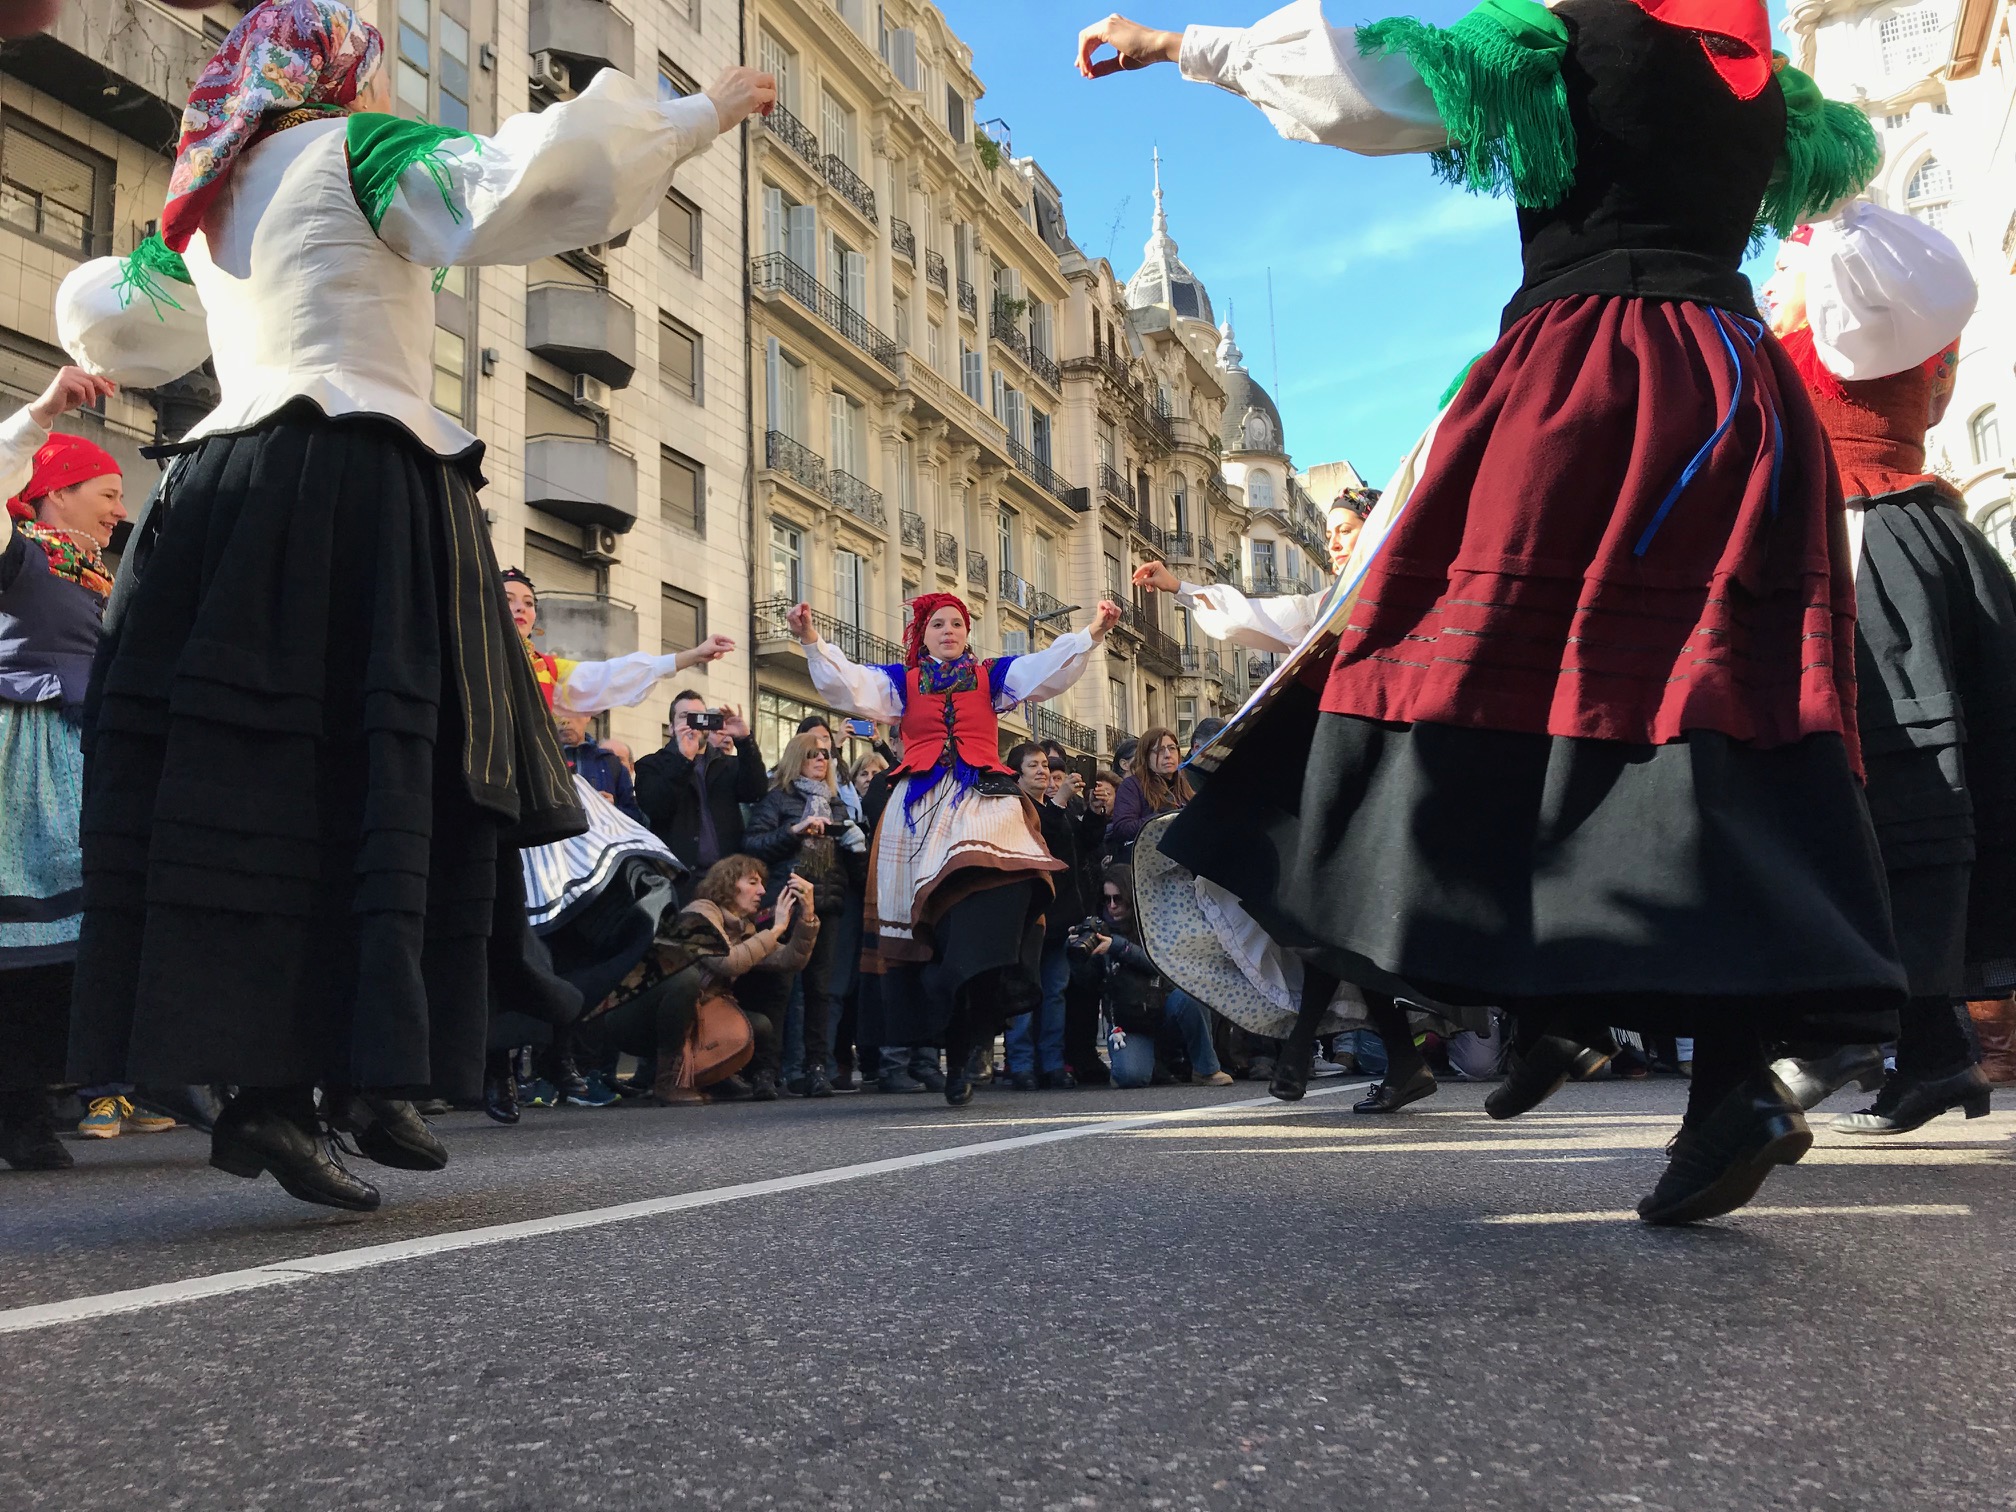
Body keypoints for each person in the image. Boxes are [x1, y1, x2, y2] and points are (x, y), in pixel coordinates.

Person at [1080, 0, 1901, 1224]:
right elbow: (1861, 215)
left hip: (1594, 379)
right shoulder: (1767, 88)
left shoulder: (1550, 42)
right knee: (1723, 708)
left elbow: (1365, 88)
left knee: (1485, 674)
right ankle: (1751, 1054)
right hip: (1743, 395)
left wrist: (1179, 46)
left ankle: (1556, 999)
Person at [53, 0, 773, 1211]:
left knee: (261, 788)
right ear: (336, 75)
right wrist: (699, 112)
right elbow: (525, 182)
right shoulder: (361, 149)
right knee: (402, 773)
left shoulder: (203, 205)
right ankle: (371, 1071)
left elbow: (113, 318)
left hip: (223, 498)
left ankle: (290, 1091)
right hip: (363, 481)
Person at [1760, 202, 2012, 1134]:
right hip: (1918, 536)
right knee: (1919, 789)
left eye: (1787, 266)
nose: (1772, 284)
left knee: (1884, 788)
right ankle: (1938, 1053)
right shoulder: (1894, 322)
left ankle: (1838, 1026)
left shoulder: (1851, 313)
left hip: (1862, 539)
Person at [787, 592, 1122, 1104]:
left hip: (979, 797)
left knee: (1002, 884)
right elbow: (850, 684)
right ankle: (955, 1031)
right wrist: (812, 640)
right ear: (921, 635)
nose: (949, 630)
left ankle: (981, 1016)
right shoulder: (903, 683)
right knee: (923, 922)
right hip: (919, 803)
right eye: (939, 624)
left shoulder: (991, 677)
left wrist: (1093, 631)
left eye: (958, 624)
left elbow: (1044, 668)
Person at [0, 366, 139, 1170]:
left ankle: (35, 1100)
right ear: (53, 493)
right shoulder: (17, 556)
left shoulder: (109, 582)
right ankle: (19, 1111)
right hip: (22, 757)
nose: (120, 511)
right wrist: (39, 418)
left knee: (67, 951)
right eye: (106, 493)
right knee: (20, 948)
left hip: (84, 759)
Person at [582, 859, 817, 1105]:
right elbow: (729, 962)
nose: (762, 891)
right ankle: (667, 1082)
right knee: (686, 979)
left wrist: (808, 916)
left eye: (762, 884)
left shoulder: (742, 928)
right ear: (727, 884)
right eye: (752, 882)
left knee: (758, 1025)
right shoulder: (700, 912)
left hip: (687, 1020)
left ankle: (713, 1076)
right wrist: (777, 928)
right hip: (631, 1019)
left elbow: (790, 959)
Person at [740, 730, 869, 1097]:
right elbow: (752, 845)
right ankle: (767, 1070)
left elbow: (856, 875)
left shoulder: (837, 803)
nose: (821, 759)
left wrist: (858, 848)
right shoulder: (778, 798)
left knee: (820, 990)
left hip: (826, 905)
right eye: (813, 753)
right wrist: (794, 831)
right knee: (779, 989)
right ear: (798, 756)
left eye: (826, 754)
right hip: (786, 899)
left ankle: (816, 1068)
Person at [1133, 490, 1377, 659]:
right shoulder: (1321, 605)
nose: (1333, 545)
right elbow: (1246, 615)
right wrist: (1178, 586)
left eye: (1344, 531)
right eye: (1328, 536)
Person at [1087, 867, 1234, 1088]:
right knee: (1131, 1077)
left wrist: (1119, 947)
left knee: (1191, 997)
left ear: (1132, 895)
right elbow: (1089, 983)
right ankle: (1153, 1062)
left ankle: (1206, 1069)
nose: (1112, 906)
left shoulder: (1156, 922)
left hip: (1165, 1007)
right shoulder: (1099, 931)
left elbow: (1161, 964)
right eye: (1107, 899)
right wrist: (1079, 958)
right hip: (1130, 1019)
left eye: (1118, 898)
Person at [1004, 741, 1086, 1089]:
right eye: (1032, 766)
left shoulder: (1057, 808)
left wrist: (1093, 815)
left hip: (1061, 914)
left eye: (1044, 764)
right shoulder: (1012, 807)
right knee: (1022, 991)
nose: (1042, 771)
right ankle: (1020, 1064)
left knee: (1055, 993)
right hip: (1028, 916)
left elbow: (1078, 851)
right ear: (1017, 774)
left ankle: (1052, 1062)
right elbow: (1043, 841)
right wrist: (1059, 802)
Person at [634, 690, 770, 886]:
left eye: (699, 717)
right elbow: (657, 807)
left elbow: (756, 791)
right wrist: (683, 760)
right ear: (671, 728)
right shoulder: (651, 765)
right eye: (685, 717)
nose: (693, 723)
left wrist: (745, 741)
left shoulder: (727, 764)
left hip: (727, 878)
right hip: (680, 878)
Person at [1108, 727, 1191, 854]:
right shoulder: (1132, 785)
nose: (1168, 755)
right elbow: (1123, 828)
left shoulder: (1184, 785)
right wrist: (1162, 818)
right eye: (1159, 750)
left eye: (1172, 748)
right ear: (1146, 756)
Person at [555, 710, 645, 824]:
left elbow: (635, 817)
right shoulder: (540, 759)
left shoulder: (610, 763)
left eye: (571, 712)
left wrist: (612, 809)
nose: (564, 720)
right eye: (557, 713)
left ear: (587, 715)